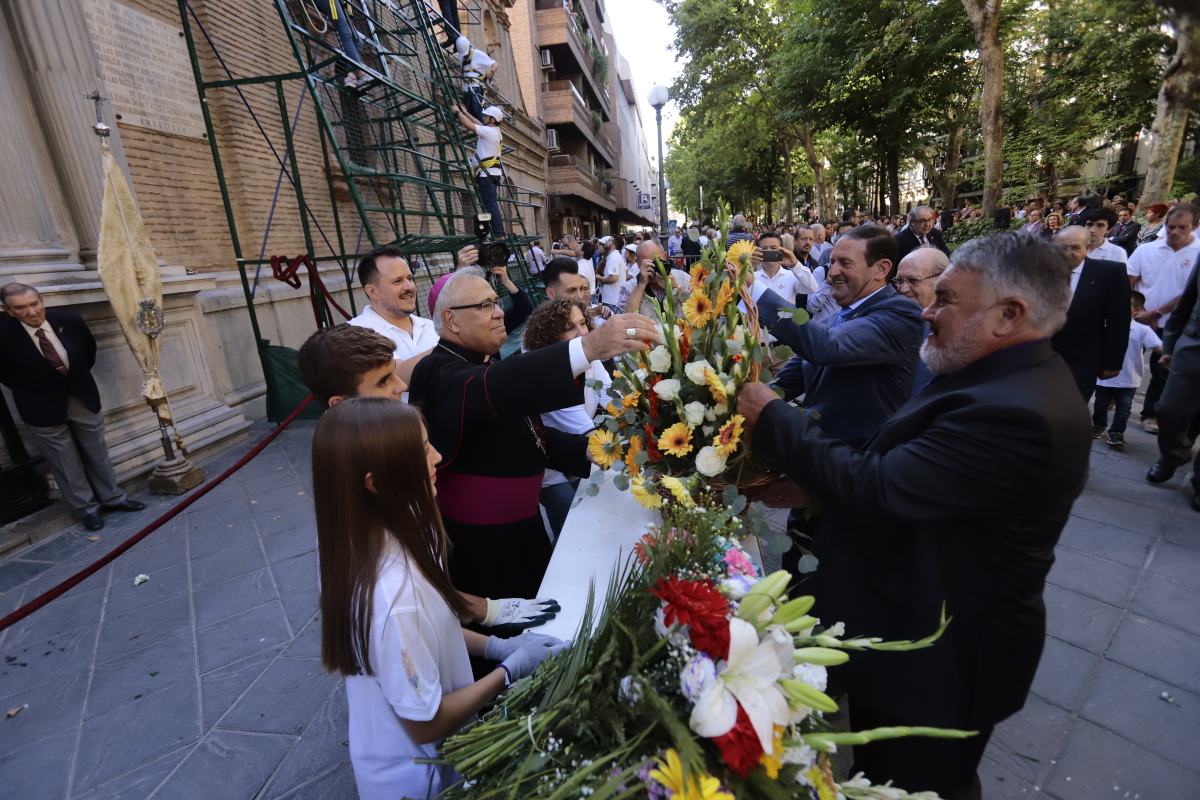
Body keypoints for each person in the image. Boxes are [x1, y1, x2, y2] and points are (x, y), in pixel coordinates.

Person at [737, 232, 1090, 799]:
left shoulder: (1019, 411)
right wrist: (816, 490)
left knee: (917, 783)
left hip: (943, 659)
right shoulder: (992, 376)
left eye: (945, 299)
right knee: (882, 773)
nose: (926, 312)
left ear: (1009, 314)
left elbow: (881, 488)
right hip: (911, 633)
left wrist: (773, 416)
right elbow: (915, 477)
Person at [311, 398, 566, 800]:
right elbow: (426, 722)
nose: (439, 457)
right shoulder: (392, 597)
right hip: (415, 776)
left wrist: (496, 645)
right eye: (422, 451)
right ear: (374, 482)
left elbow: (432, 628)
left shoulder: (397, 528)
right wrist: (510, 671)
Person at [407, 267, 661, 600]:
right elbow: (487, 390)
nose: (500, 312)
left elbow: (521, 432)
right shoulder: (437, 369)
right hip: (485, 543)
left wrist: (590, 449)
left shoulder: (484, 359)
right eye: (485, 305)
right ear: (452, 320)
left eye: (497, 302)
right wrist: (588, 347)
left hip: (522, 528)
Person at [298, 324, 562, 633]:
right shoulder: (367, 495)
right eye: (383, 380)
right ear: (340, 405)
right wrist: (490, 621)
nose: (400, 386)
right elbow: (408, 605)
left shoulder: (383, 455)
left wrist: (487, 614)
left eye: (394, 372)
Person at [760, 226, 924, 445]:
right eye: (833, 261)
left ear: (881, 269)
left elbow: (826, 346)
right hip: (819, 459)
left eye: (845, 263)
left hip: (863, 465)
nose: (832, 272)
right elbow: (783, 385)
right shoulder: (834, 319)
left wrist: (755, 291)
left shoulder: (901, 315)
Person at [0, 284, 145, 531]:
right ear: (7, 310)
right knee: (64, 462)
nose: (32, 312)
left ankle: (113, 498)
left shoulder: (70, 321)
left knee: (97, 451)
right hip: (40, 407)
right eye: (21, 308)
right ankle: (86, 509)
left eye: (35, 303)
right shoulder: (3, 335)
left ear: (41, 300)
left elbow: (88, 354)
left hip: (81, 397)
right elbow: (5, 375)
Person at [522, 300, 610, 537]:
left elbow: (612, 396)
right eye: (571, 328)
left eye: (583, 323)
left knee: (566, 526)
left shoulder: (589, 358)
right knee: (577, 521)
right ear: (551, 336)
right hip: (548, 466)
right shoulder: (548, 373)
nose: (582, 332)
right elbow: (589, 434)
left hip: (575, 451)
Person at [1127, 205, 1200, 433]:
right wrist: (1138, 310)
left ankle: (1151, 414)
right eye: (1171, 227)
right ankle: (1113, 398)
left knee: (1161, 370)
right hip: (1137, 318)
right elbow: (1130, 279)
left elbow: (1189, 293)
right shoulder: (1146, 249)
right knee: (1125, 359)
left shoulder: (1197, 254)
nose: (1175, 232)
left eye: (1183, 227)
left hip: (1171, 324)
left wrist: (1155, 313)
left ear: (1195, 227)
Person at [1050, 226, 1132, 400]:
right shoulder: (1037, 271)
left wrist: (1112, 362)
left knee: (1071, 410)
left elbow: (1119, 321)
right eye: (1062, 247)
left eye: (1075, 247)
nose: (1067, 253)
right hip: (1042, 356)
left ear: (1087, 248)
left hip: (1082, 359)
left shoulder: (1110, 273)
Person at [1093, 291, 1161, 448]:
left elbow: (1158, 346)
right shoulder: (1104, 324)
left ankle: (1117, 432)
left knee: (1124, 408)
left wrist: (1168, 355)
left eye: (1126, 304)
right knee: (1100, 405)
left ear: (1137, 309)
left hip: (1129, 378)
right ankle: (1099, 425)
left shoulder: (1141, 330)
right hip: (1103, 375)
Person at [893, 247, 950, 396]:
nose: (903, 289)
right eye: (899, 281)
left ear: (943, 278)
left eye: (913, 280)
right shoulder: (894, 319)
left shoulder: (959, 329)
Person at [452, 104, 506, 237]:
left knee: (490, 206)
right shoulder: (494, 131)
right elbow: (477, 123)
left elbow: (470, 126)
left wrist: (458, 112)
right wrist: (465, 111)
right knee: (490, 204)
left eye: (486, 116)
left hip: (486, 176)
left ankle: (498, 233)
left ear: (492, 120)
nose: (484, 117)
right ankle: (497, 232)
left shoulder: (489, 132)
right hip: (490, 174)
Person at [751, 230, 819, 307]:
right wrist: (748, 266)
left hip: (785, 318)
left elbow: (813, 288)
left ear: (781, 250)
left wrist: (795, 265)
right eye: (764, 248)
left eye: (773, 248)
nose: (769, 251)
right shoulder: (752, 277)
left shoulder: (791, 275)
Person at [454, 36, 496, 122]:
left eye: (466, 54)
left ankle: (482, 129)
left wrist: (491, 72)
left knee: (476, 111)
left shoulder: (478, 54)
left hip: (476, 87)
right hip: (466, 89)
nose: (464, 56)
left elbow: (495, 64)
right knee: (467, 112)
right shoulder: (461, 55)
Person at [598, 234, 627, 311]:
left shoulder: (614, 257)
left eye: (609, 240)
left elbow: (613, 278)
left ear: (613, 244)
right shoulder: (613, 256)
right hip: (613, 299)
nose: (606, 241)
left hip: (613, 300)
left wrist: (601, 279)